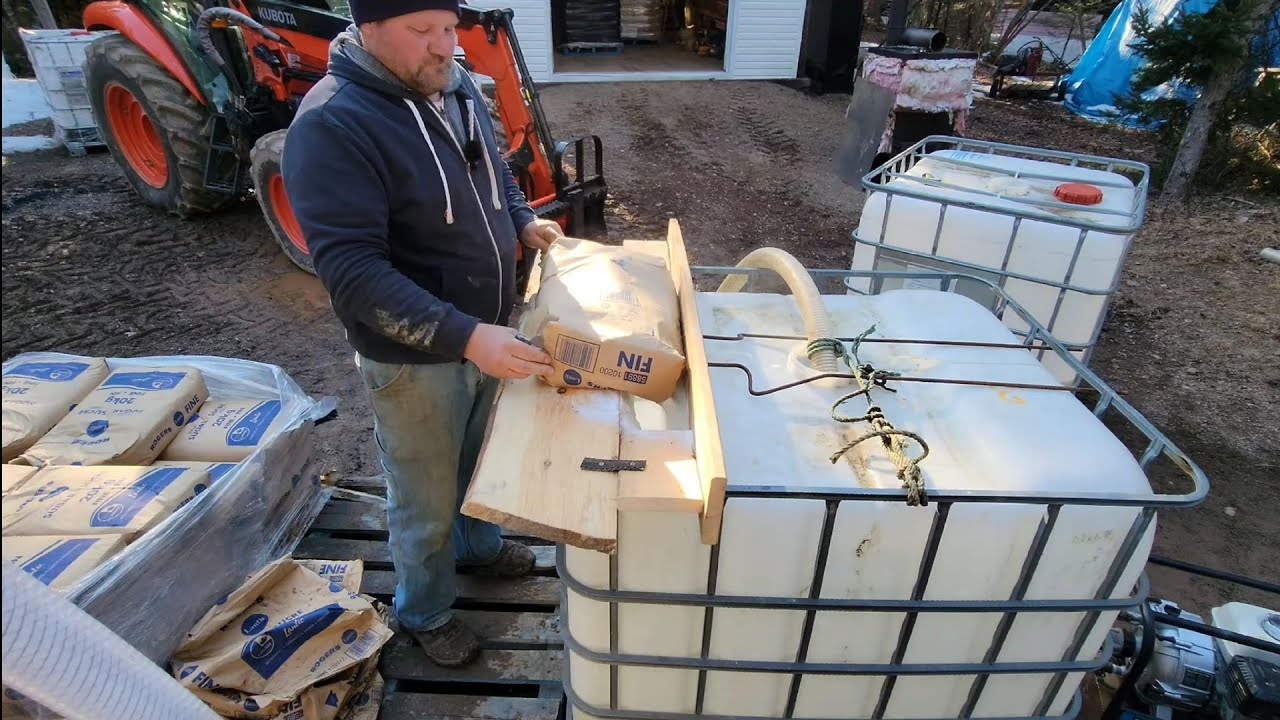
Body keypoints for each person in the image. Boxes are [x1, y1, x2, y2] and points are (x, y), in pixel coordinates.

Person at [280, 0, 565, 667]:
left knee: (479, 458)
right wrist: (466, 337)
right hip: (415, 357)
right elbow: (352, 274)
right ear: (368, 28)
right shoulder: (331, 125)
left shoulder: (448, 78)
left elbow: (488, 165)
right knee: (424, 494)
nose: (445, 46)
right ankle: (426, 611)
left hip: (485, 329)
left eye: (449, 28)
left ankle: (481, 548)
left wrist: (522, 218)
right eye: (422, 32)